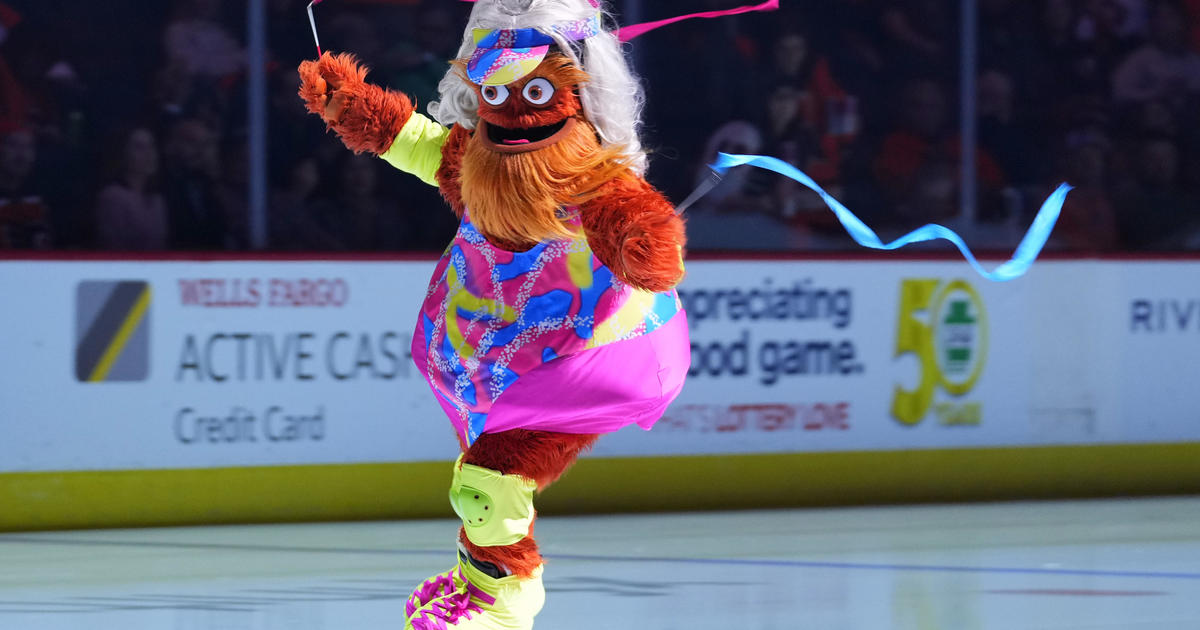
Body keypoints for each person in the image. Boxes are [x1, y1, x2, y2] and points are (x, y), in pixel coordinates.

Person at [298, 1, 691, 627]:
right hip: (501, 352)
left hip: (592, 354)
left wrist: (639, 241)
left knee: (488, 478)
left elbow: (638, 224)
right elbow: (412, 141)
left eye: (535, 90)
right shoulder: (476, 163)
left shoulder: (589, 175)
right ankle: (484, 576)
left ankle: (501, 599)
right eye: (496, 91)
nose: (515, 113)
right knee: (482, 479)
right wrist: (350, 104)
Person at [94, 127, 168, 250]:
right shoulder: (112, 197)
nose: (149, 154)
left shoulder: (158, 199)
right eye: (139, 147)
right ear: (123, 153)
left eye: (151, 146)